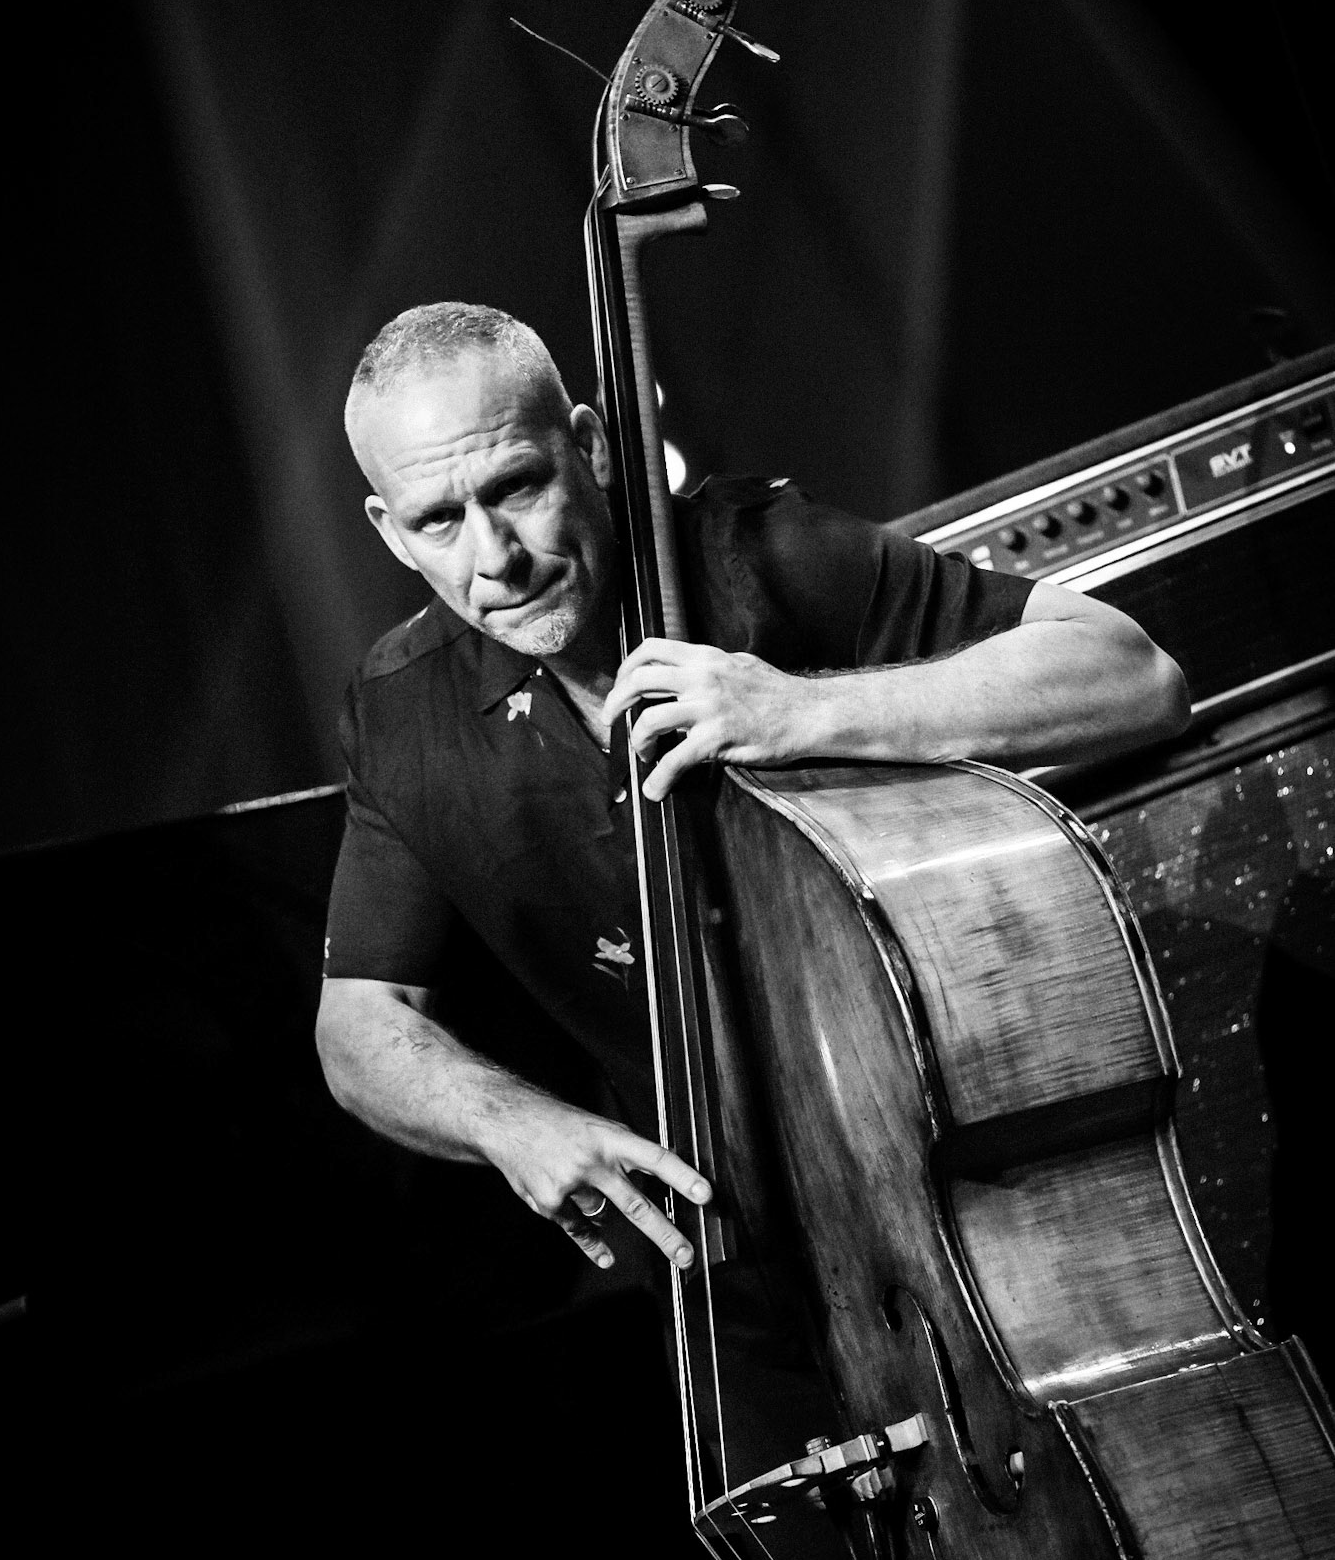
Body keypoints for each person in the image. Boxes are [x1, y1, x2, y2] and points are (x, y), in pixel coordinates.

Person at [315, 302, 1190, 1285]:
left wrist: (799, 712)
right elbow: (357, 1023)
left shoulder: (758, 556)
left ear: (592, 446)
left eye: (517, 486)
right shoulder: (400, 712)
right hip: (722, 1271)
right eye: (440, 520)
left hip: (984, 1200)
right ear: (392, 533)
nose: (495, 558)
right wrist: (508, 1119)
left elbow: (1131, 674)